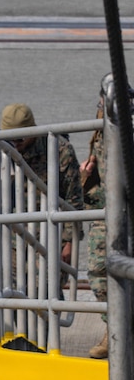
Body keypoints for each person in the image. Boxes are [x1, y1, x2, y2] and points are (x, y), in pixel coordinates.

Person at [0, 103, 84, 269]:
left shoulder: (58, 150)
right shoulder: (0, 149)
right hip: (13, 239)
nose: (15, 143)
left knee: (48, 283)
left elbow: (73, 197)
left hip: (50, 238)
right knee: (12, 285)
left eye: (20, 138)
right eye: (10, 138)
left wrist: (69, 242)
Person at [81, 95, 109, 359]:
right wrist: (86, 177)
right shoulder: (99, 131)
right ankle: (114, 329)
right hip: (106, 211)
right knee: (98, 273)